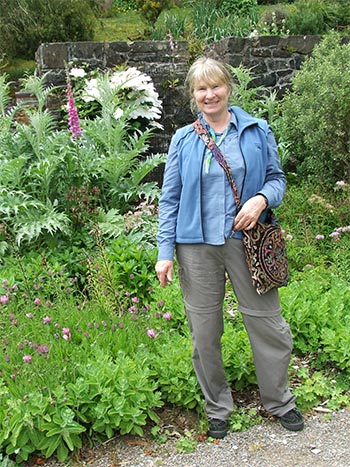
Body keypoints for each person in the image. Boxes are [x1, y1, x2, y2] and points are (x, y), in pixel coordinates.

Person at [155, 56, 304, 439]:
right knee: (205, 331)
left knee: (267, 322)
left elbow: (277, 179)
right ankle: (217, 407)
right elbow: (169, 198)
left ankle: (279, 400)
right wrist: (165, 252)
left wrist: (260, 200)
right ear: (194, 95)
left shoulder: (257, 131)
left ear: (228, 88)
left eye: (215, 86)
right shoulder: (184, 139)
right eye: (201, 89)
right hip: (196, 248)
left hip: (247, 243)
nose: (210, 94)